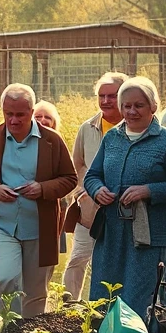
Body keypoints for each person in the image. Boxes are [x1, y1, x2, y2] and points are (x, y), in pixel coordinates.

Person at [0, 84, 77, 318]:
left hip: (40, 228)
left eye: (20, 114)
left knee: (36, 292)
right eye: (8, 114)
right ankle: (9, 331)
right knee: (6, 279)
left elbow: (70, 178)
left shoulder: (51, 141)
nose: (13, 120)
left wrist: (42, 188)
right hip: (0, 225)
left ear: (31, 111)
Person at [85, 77, 166, 314]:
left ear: (153, 106)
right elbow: (92, 176)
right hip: (112, 232)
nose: (131, 111)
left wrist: (149, 191)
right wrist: (98, 190)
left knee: (144, 293)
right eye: (126, 106)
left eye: (138, 105)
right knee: (106, 291)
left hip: (149, 235)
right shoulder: (112, 139)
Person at [62, 73, 127, 301]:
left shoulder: (134, 127)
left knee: (116, 260)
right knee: (78, 257)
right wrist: (83, 191)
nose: (106, 101)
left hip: (123, 208)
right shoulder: (87, 128)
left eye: (112, 96)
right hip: (89, 207)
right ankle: (69, 307)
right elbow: (77, 163)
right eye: (102, 96)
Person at [33, 101, 69, 254]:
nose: (42, 120)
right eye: (38, 116)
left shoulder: (58, 143)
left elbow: (68, 177)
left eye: (47, 117)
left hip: (53, 204)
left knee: (47, 253)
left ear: (54, 122)